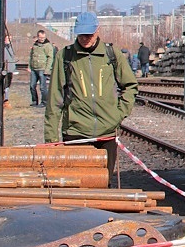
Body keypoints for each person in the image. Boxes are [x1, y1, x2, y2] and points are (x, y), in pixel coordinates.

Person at [44, 11, 138, 176]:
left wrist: (118, 114)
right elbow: (55, 98)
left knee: (104, 183)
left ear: (97, 31)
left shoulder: (111, 54)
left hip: (107, 133)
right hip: (76, 134)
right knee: (78, 184)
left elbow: (130, 85)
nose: (85, 38)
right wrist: (51, 139)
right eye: (81, 34)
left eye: (89, 34)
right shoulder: (65, 56)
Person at [29, 28, 55, 105]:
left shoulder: (47, 46)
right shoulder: (35, 45)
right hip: (34, 69)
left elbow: (50, 58)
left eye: (43, 37)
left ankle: (44, 102)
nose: (42, 39)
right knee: (32, 86)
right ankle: (34, 101)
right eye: (40, 37)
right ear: (37, 37)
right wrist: (29, 66)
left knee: (42, 87)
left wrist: (47, 69)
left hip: (42, 69)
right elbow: (31, 56)